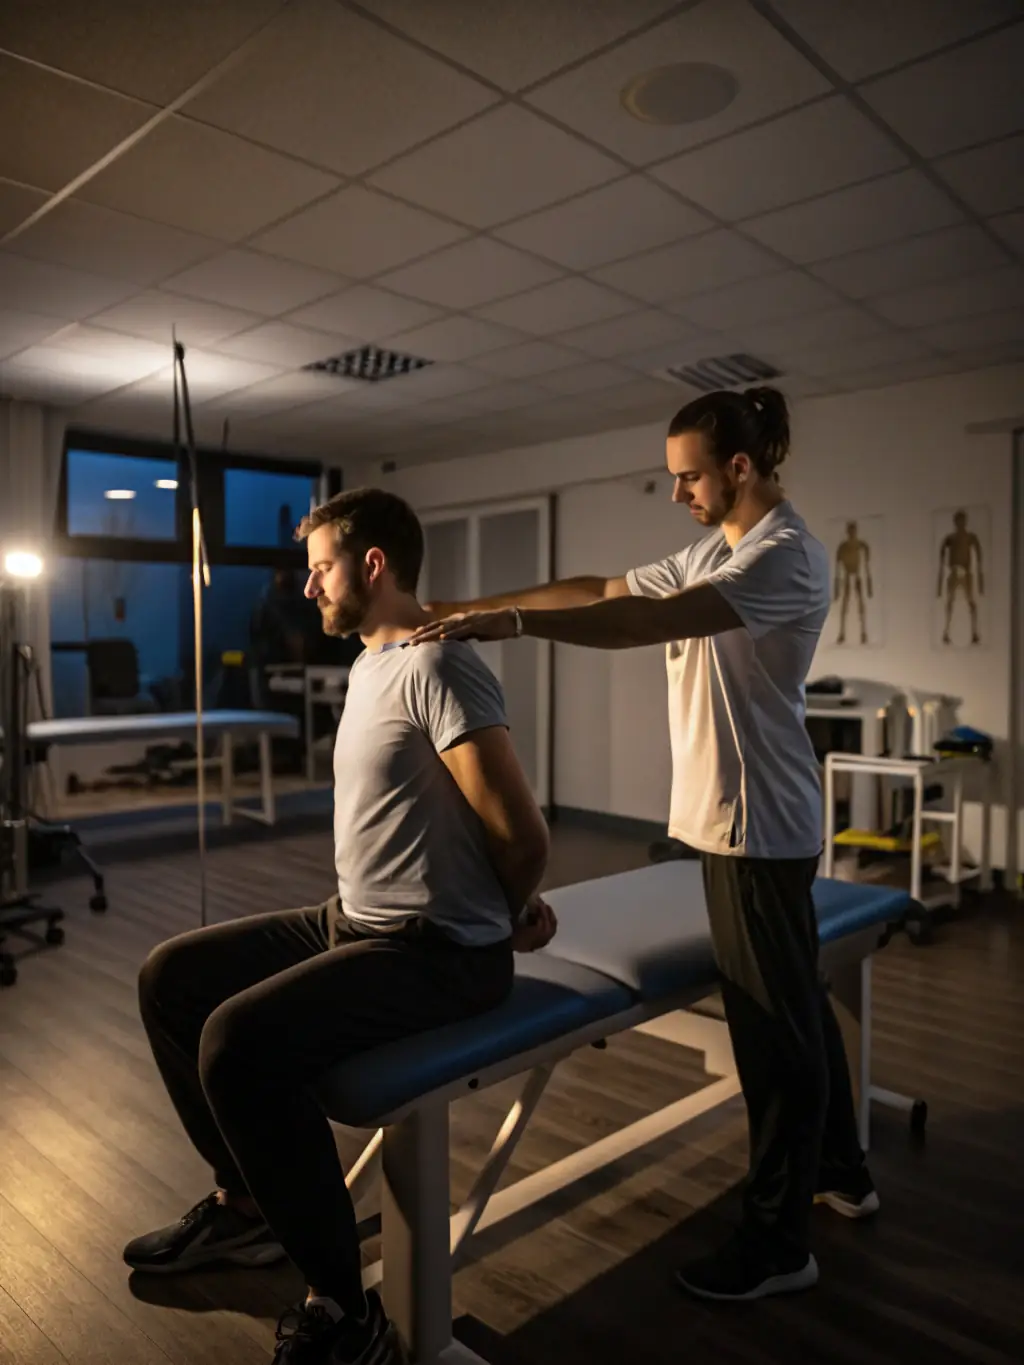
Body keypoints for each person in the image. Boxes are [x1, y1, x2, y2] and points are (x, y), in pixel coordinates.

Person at [411, 386, 878, 1304]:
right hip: (740, 818)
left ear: (740, 468)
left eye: (688, 476)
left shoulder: (784, 556)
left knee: (770, 1026)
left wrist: (513, 626)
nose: (677, 495)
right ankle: (843, 1169)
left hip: (758, 824)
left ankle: (781, 1239)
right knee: (792, 1002)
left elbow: (639, 623)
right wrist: (474, 603)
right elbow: (603, 590)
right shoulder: (721, 545)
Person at [125, 488, 556, 1365]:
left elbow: (520, 831)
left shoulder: (441, 666)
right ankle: (248, 1207)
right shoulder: (370, 664)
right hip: (353, 920)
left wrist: (505, 917)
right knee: (170, 976)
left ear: (371, 565)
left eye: (320, 567)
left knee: (237, 1043)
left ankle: (342, 1306)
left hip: (439, 952)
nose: (309, 586)